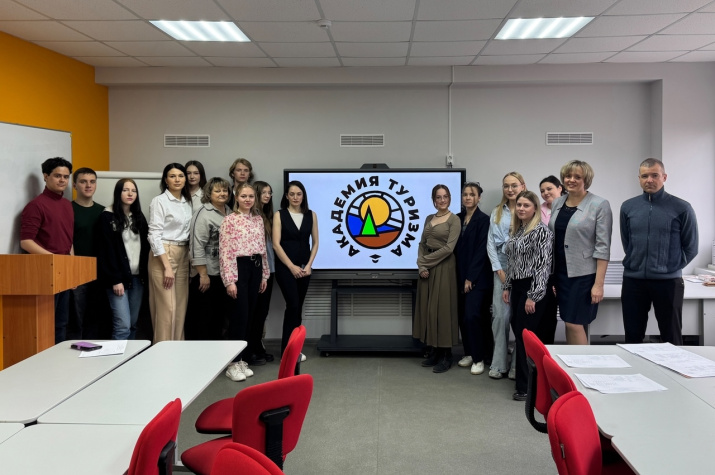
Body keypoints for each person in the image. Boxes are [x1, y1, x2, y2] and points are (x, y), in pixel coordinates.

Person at [620, 158, 698, 345]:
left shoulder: (682, 207)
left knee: (671, 338)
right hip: (633, 281)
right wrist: (636, 262)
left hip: (668, 282)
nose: (649, 180)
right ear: (639, 179)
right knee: (632, 337)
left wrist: (671, 267)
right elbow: (627, 242)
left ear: (664, 177)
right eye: (645, 176)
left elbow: (691, 247)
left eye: (655, 175)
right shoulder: (628, 207)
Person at [549, 160, 612, 345]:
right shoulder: (558, 202)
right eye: (568, 176)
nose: (571, 180)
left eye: (577, 177)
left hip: (583, 276)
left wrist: (598, 284)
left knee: (574, 323)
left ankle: (582, 362)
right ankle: (572, 361)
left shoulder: (599, 204)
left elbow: (603, 247)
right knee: (569, 321)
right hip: (560, 274)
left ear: (586, 180)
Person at [502, 191, 554, 401]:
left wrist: (533, 295)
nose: (521, 208)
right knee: (520, 333)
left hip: (533, 288)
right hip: (517, 286)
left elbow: (543, 266)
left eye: (526, 205)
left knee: (527, 337)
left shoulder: (541, 231)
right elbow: (512, 262)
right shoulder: (517, 230)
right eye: (519, 205)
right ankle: (528, 382)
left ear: (535, 209)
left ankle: (525, 387)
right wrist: (507, 286)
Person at [20, 157, 74, 343]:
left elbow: (68, 240)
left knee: (62, 323)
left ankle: (58, 359)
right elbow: (26, 242)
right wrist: (55, 260)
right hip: (45, 273)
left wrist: (72, 268)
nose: (62, 180)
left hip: (63, 271)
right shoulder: (36, 205)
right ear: (45, 176)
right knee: (46, 324)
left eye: (66, 177)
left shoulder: (67, 205)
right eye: (57, 176)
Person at [220, 183, 269, 381]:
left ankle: (243, 360)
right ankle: (232, 363)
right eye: (243, 196)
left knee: (250, 316)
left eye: (251, 196)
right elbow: (225, 252)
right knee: (239, 316)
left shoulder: (258, 220)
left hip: (256, 267)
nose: (247, 200)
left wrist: (264, 275)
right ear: (236, 197)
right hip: (239, 268)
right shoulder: (229, 220)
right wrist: (230, 281)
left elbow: (263, 249)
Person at [414, 184, 460, 373]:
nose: (442, 200)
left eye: (445, 196)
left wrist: (425, 261)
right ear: (434, 200)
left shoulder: (454, 220)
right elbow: (422, 244)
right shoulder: (428, 218)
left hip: (444, 267)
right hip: (427, 269)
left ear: (449, 198)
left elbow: (449, 248)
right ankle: (434, 351)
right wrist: (422, 266)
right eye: (438, 197)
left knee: (442, 310)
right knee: (429, 310)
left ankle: (446, 355)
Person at [97, 179, 149, 340]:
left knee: (133, 324)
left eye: (133, 191)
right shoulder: (107, 216)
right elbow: (105, 251)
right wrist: (115, 279)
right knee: (122, 327)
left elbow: (146, 248)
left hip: (137, 279)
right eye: (125, 190)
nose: (130, 194)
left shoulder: (139, 217)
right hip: (118, 280)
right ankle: (117, 356)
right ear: (118, 193)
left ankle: (130, 355)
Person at [147, 163, 193, 342]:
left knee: (180, 307)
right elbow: (153, 235)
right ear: (166, 180)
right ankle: (162, 350)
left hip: (183, 252)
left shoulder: (187, 201)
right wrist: (166, 266)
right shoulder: (160, 201)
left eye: (180, 176)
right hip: (163, 253)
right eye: (172, 176)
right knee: (167, 309)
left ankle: (177, 349)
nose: (177, 179)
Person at [486, 172, 525, 379]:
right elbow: (491, 243)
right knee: (500, 318)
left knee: (519, 319)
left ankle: (517, 366)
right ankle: (499, 364)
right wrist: (498, 270)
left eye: (514, 185)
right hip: (501, 269)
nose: (510, 189)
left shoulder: (527, 209)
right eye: (506, 186)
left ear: (522, 186)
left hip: (522, 271)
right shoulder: (497, 211)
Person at [273, 180, 319, 356]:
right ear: (286, 196)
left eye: (299, 194)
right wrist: (291, 266)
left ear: (303, 196)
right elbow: (276, 244)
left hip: (304, 269)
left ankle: (295, 350)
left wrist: (309, 265)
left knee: (298, 307)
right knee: (292, 305)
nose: (295, 197)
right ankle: (287, 351)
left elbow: (315, 243)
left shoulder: (311, 215)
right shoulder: (280, 215)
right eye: (291, 194)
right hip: (286, 268)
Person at [186, 177, 233, 341]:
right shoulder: (203, 214)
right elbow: (196, 246)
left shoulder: (230, 211)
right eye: (217, 191)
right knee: (205, 318)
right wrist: (203, 274)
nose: (222, 193)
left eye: (225, 190)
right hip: (208, 274)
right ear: (209, 193)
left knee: (220, 318)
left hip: (225, 274)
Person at [455, 182, 493, 375]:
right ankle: (469, 352)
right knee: (463, 316)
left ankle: (479, 358)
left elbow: (481, 251)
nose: (468, 197)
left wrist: (470, 278)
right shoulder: (457, 218)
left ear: (479, 198)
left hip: (477, 278)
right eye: (465, 194)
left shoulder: (484, 220)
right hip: (458, 276)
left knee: (473, 316)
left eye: (472, 194)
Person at [69, 167, 105, 339]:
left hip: (100, 272)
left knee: (97, 317)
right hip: (78, 273)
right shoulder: (68, 209)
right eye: (83, 181)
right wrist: (73, 270)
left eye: (92, 182)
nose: (88, 185)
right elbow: (67, 242)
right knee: (77, 319)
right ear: (74, 185)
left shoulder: (103, 211)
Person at [249, 180, 276, 364]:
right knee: (255, 312)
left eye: (269, 193)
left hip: (270, 269)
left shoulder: (267, 215)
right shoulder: (253, 216)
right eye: (264, 192)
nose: (268, 196)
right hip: (258, 270)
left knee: (262, 311)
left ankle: (258, 347)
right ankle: (251, 350)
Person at [538, 175, 564, 344]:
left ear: (559, 188)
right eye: (542, 190)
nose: (546, 193)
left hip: (561, 266)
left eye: (549, 189)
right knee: (543, 312)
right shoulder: (537, 210)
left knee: (555, 313)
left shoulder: (567, 208)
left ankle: (550, 350)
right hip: (542, 269)